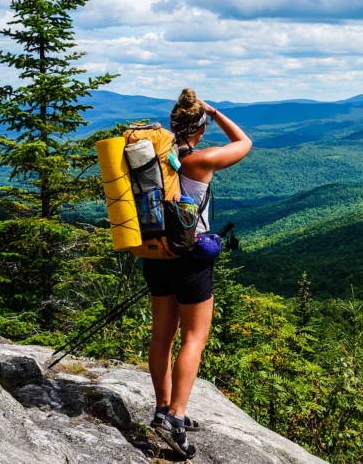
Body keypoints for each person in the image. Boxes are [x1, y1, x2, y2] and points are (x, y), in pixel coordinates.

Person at [144, 88, 252, 459]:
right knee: (194, 337)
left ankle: (162, 408)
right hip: (189, 257)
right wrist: (216, 111)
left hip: (155, 252)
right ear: (200, 128)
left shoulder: (159, 158)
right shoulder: (200, 161)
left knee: (162, 335)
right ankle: (175, 417)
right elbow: (244, 142)